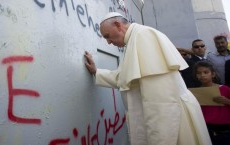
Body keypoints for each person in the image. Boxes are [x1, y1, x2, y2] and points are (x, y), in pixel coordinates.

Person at [84, 12, 211, 145]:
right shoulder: (134, 39)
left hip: (171, 126)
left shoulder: (144, 37)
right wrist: (96, 72)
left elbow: (161, 105)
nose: (108, 42)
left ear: (118, 25)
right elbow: (124, 78)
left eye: (108, 36)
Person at [193, 61, 230, 145]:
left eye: (206, 72)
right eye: (199, 73)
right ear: (196, 76)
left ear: (213, 74)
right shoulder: (195, 93)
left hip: (225, 130)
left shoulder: (225, 89)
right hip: (205, 129)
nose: (202, 75)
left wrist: (227, 101)